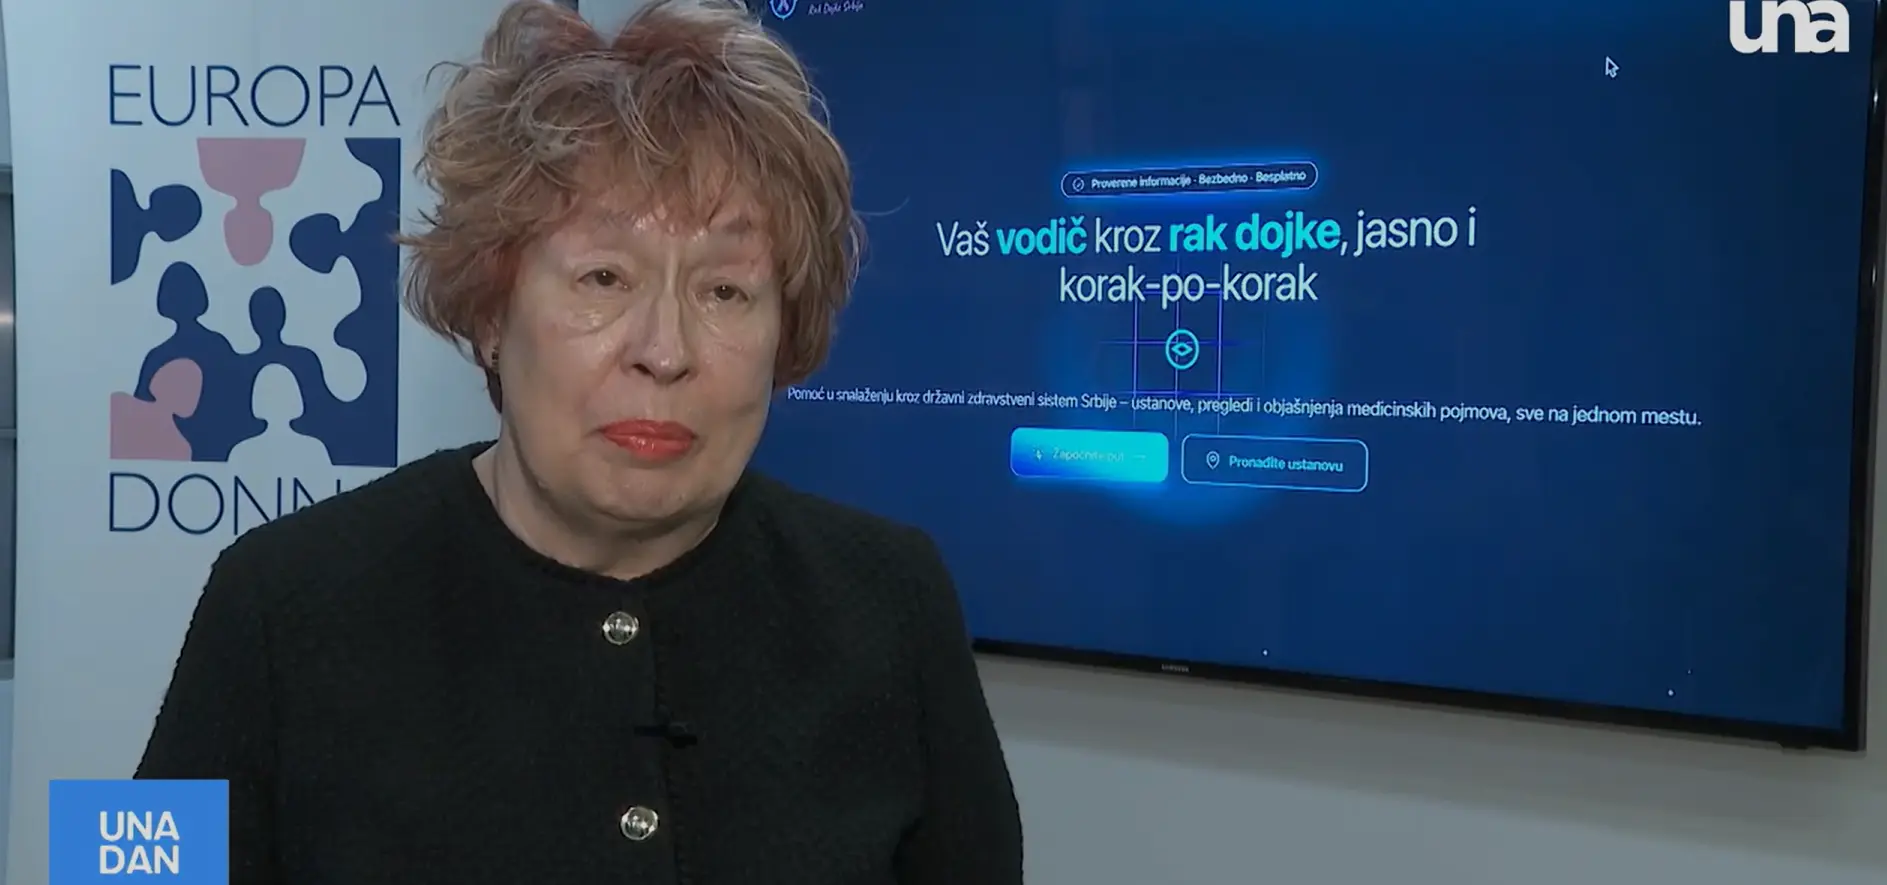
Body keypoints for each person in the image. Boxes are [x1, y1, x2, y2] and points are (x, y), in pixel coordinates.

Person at [133, 1, 1025, 882]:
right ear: (492, 313)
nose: (665, 351)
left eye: (724, 291)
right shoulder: (276, 598)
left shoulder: (892, 601)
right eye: (603, 277)